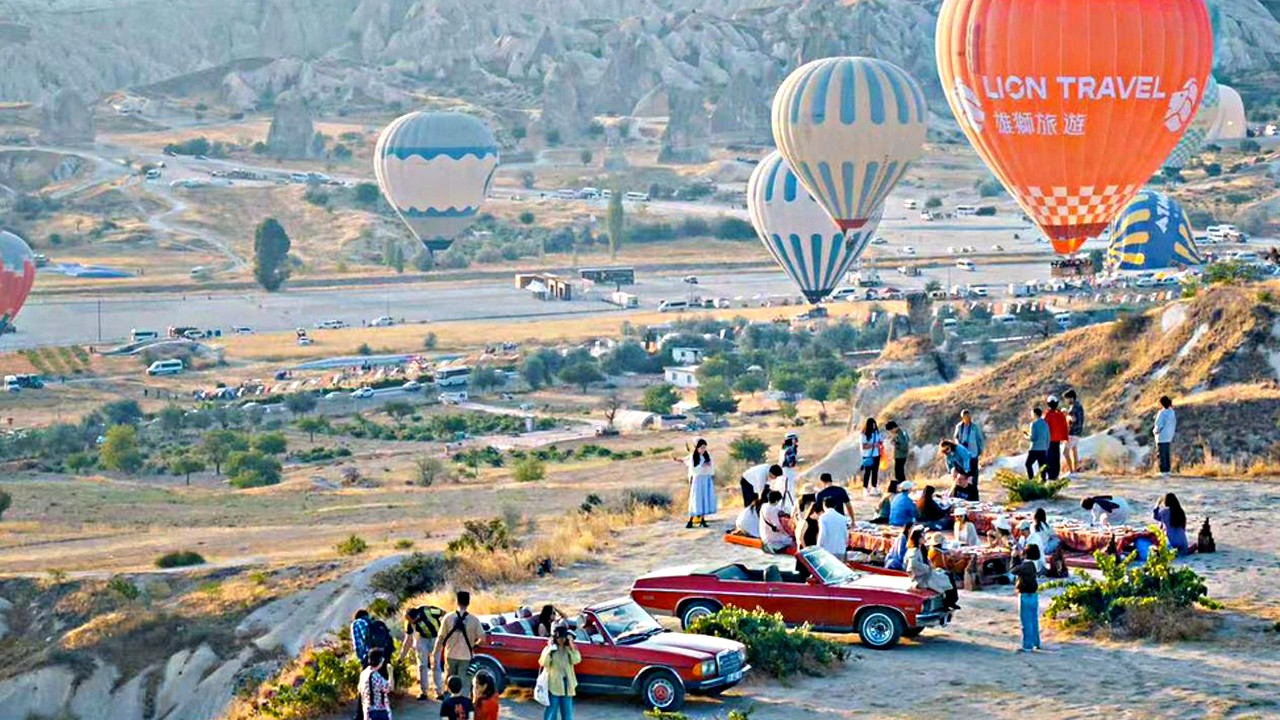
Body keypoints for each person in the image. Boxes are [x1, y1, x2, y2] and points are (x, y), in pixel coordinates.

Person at [433, 591, 485, 696]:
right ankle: (463, 705)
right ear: (468, 603)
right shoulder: (474, 620)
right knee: (465, 683)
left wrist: (435, 654)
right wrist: (474, 645)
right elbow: (482, 638)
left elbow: (440, 638)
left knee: (449, 680)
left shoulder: (448, 618)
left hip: (450, 654)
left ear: (457, 602)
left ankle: (450, 703)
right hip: (466, 656)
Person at [906, 527, 959, 609]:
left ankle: (951, 601)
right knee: (946, 578)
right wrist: (927, 568)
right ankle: (947, 602)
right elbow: (912, 566)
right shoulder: (914, 551)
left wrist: (931, 567)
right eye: (922, 536)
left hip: (929, 573)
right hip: (922, 579)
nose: (924, 538)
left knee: (948, 575)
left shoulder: (921, 548)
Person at [400, 604, 445, 700]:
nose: (408, 622)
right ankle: (423, 692)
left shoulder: (429, 611)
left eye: (409, 619)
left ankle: (439, 692)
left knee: (436, 664)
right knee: (422, 665)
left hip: (436, 638)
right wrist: (401, 657)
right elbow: (408, 640)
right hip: (422, 638)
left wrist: (444, 632)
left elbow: (444, 613)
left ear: (415, 617)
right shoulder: (411, 624)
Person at [540, 625, 581, 720]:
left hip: (568, 685)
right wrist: (549, 649)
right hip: (554, 685)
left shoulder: (569, 649)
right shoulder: (550, 649)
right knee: (551, 711)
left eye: (563, 638)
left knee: (567, 713)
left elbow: (576, 660)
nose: (561, 640)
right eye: (558, 638)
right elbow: (543, 662)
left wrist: (571, 646)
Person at [678, 438, 716, 528]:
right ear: (697, 447)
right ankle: (690, 520)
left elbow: (711, 468)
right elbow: (693, 469)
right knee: (695, 499)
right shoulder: (693, 457)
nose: (703, 450)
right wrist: (702, 466)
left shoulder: (707, 457)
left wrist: (708, 466)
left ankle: (702, 520)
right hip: (697, 480)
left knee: (704, 499)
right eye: (702, 448)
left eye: (704, 448)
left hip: (706, 479)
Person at [1013, 545, 1042, 652]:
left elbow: (1013, 570)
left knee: (1026, 621)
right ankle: (1036, 642)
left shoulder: (1026, 565)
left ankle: (1027, 646)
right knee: (1034, 620)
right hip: (1034, 595)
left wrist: (1014, 558)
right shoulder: (1035, 564)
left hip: (1025, 595)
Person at [953, 410, 986, 496]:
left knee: (973, 474)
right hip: (963, 454)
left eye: (968, 416)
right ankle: (964, 492)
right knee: (964, 474)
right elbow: (956, 437)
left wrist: (980, 450)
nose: (967, 418)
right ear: (962, 417)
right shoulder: (959, 426)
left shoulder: (974, 427)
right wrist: (958, 445)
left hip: (973, 453)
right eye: (965, 416)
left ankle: (974, 491)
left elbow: (980, 439)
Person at [359, 648, 393, 720]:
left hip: (367, 709)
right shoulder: (376, 676)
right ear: (380, 660)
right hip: (379, 711)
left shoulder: (364, 673)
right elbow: (389, 688)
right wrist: (390, 673)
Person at [817, 495, 851, 560]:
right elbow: (846, 534)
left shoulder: (823, 518)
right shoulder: (842, 518)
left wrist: (818, 546)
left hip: (828, 550)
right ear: (834, 505)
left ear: (824, 505)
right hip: (840, 549)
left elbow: (822, 533)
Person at [1044, 396, 1070, 481]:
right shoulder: (1060, 415)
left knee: (1049, 457)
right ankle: (1055, 474)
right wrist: (1065, 437)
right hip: (1057, 440)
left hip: (1049, 440)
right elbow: (1064, 427)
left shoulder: (1047, 415)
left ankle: (1050, 474)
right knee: (1056, 457)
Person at [859, 418, 884, 497]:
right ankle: (865, 488)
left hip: (876, 455)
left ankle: (874, 487)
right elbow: (863, 446)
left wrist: (880, 443)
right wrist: (873, 445)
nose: (874, 426)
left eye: (874, 424)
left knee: (875, 472)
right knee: (867, 472)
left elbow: (880, 440)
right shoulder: (863, 434)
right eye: (872, 425)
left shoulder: (876, 432)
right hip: (867, 455)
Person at [1025, 406, 1050, 480]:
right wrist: (1046, 447)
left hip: (1034, 448)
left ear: (1035, 414)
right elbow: (1048, 437)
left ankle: (1032, 480)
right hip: (1043, 448)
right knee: (1042, 467)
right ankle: (1043, 481)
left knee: (1028, 464)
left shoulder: (1033, 424)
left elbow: (1033, 438)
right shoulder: (1046, 423)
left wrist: (1026, 436)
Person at [1154, 395, 1177, 476]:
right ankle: (1167, 470)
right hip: (1169, 436)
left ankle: (1163, 472)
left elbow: (1158, 425)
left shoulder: (1162, 413)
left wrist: (1155, 431)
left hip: (1161, 437)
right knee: (1167, 454)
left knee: (1161, 455)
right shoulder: (1172, 412)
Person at [1064, 389, 1086, 476]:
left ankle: (1071, 471)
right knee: (1074, 451)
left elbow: (1073, 419)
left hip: (1073, 432)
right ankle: (1075, 469)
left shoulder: (1074, 407)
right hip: (1078, 432)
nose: (1066, 401)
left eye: (1067, 399)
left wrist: (1066, 414)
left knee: (1065, 452)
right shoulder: (1079, 406)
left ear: (1071, 398)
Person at [779, 432, 800, 510]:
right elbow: (791, 464)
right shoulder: (789, 450)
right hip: (787, 471)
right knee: (788, 490)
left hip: (784, 471)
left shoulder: (784, 448)